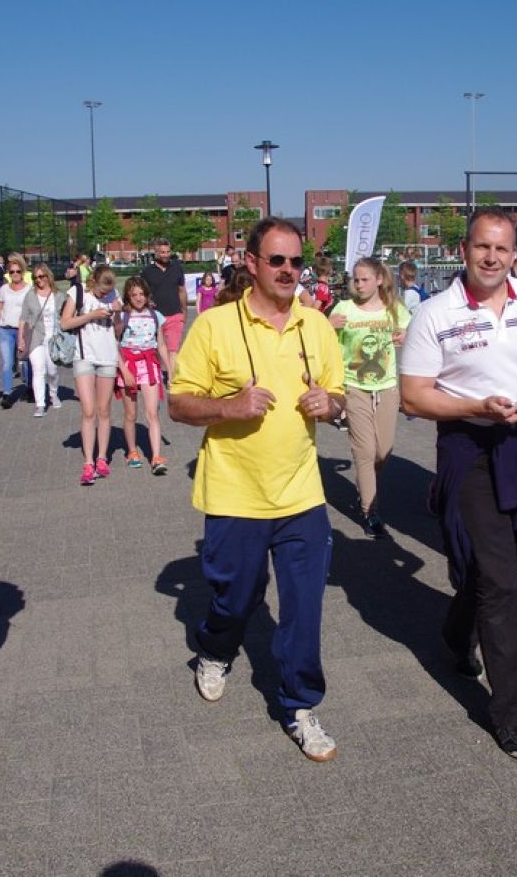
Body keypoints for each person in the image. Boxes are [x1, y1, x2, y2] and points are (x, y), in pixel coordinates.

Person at [400, 210, 517, 761]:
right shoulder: (435, 312)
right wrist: (477, 406)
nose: (492, 258)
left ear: (512, 253)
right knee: (502, 582)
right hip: (468, 447)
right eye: (482, 247)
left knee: (497, 563)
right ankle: (510, 714)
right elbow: (413, 395)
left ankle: (457, 634)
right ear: (464, 250)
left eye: (501, 249)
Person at [168, 217, 345, 762]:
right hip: (235, 494)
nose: (289, 270)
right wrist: (230, 406)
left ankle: (299, 705)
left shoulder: (316, 325)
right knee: (237, 600)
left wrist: (331, 405)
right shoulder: (214, 325)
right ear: (251, 263)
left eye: (297, 262)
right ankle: (214, 648)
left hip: (301, 494)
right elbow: (178, 403)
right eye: (277, 260)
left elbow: (339, 394)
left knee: (303, 607)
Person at [328, 256, 410, 537]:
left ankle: (366, 483)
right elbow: (324, 344)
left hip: (386, 387)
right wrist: (327, 326)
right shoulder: (344, 309)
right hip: (354, 387)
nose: (359, 285)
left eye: (365, 280)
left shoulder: (394, 309)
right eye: (356, 280)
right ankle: (370, 511)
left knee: (382, 451)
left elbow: (415, 334)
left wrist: (406, 336)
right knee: (364, 451)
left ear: (379, 280)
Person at [60, 264, 122, 485]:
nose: (105, 296)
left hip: (107, 357)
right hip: (84, 355)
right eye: (102, 292)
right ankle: (88, 461)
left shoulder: (114, 295)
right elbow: (65, 323)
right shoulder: (78, 292)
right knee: (88, 410)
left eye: (108, 292)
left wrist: (117, 313)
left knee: (104, 410)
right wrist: (92, 315)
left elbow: (117, 331)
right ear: (94, 282)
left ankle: (102, 457)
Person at [114, 275, 172, 473]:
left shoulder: (156, 315)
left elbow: (161, 345)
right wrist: (123, 370)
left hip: (150, 365)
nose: (139, 298)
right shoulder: (123, 316)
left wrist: (170, 370)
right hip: (128, 364)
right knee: (131, 413)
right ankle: (132, 451)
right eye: (134, 295)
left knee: (152, 413)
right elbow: (114, 344)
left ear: (147, 295)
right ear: (128, 297)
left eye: (142, 294)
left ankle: (156, 457)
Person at [18, 264, 64, 417]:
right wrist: (20, 339)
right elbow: (23, 318)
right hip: (36, 338)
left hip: (54, 339)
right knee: (38, 370)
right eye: (35, 277)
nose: (39, 280)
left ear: (48, 276)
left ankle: (53, 393)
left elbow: (66, 316)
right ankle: (40, 404)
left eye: (41, 276)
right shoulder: (30, 295)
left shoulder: (58, 295)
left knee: (52, 371)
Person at [139, 239, 187, 376]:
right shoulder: (147, 272)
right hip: (155, 316)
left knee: (173, 349)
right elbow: (142, 292)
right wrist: (147, 301)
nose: (166, 255)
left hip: (175, 314)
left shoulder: (177, 268)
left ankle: (172, 378)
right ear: (156, 253)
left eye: (168, 252)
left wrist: (184, 311)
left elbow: (182, 290)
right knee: (158, 349)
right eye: (162, 252)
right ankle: (160, 372)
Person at [0, 257, 32, 408]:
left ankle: (29, 388)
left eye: (18, 271)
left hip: (23, 330)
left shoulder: (29, 289)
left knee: (25, 361)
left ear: (22, 272)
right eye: (12, 272)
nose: (15, 274)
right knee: (7, 363)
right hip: (6, 330)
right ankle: (7, 393)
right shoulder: (3, 290)